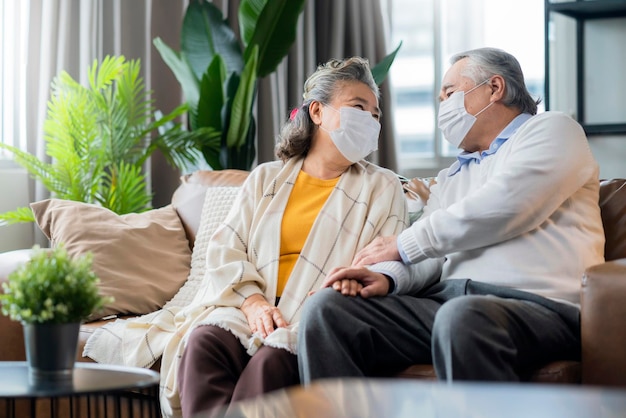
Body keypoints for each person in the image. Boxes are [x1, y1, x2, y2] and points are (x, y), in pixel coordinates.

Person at [297, 47, 605, 383]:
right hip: (449, 304)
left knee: (462, 316)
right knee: (327, 310)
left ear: (495, 88)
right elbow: (432, 255)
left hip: (538, 307)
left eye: (449, 93)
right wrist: (387, 278)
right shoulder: (451, 177)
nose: (442, 106)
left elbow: (506, 205)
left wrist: (402, 243)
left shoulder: (553, 130)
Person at [173, 56, 408, 418]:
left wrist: (335, 296)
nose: (370, 121)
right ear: (317, 111)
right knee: (204, 342)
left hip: (312, 316)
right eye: (358, 107)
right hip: (250, 307)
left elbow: (381, 262)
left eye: (375, 114)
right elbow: (226, 247)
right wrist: (253, 303)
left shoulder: (383, 186)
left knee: (273, 362)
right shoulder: (266, 178)